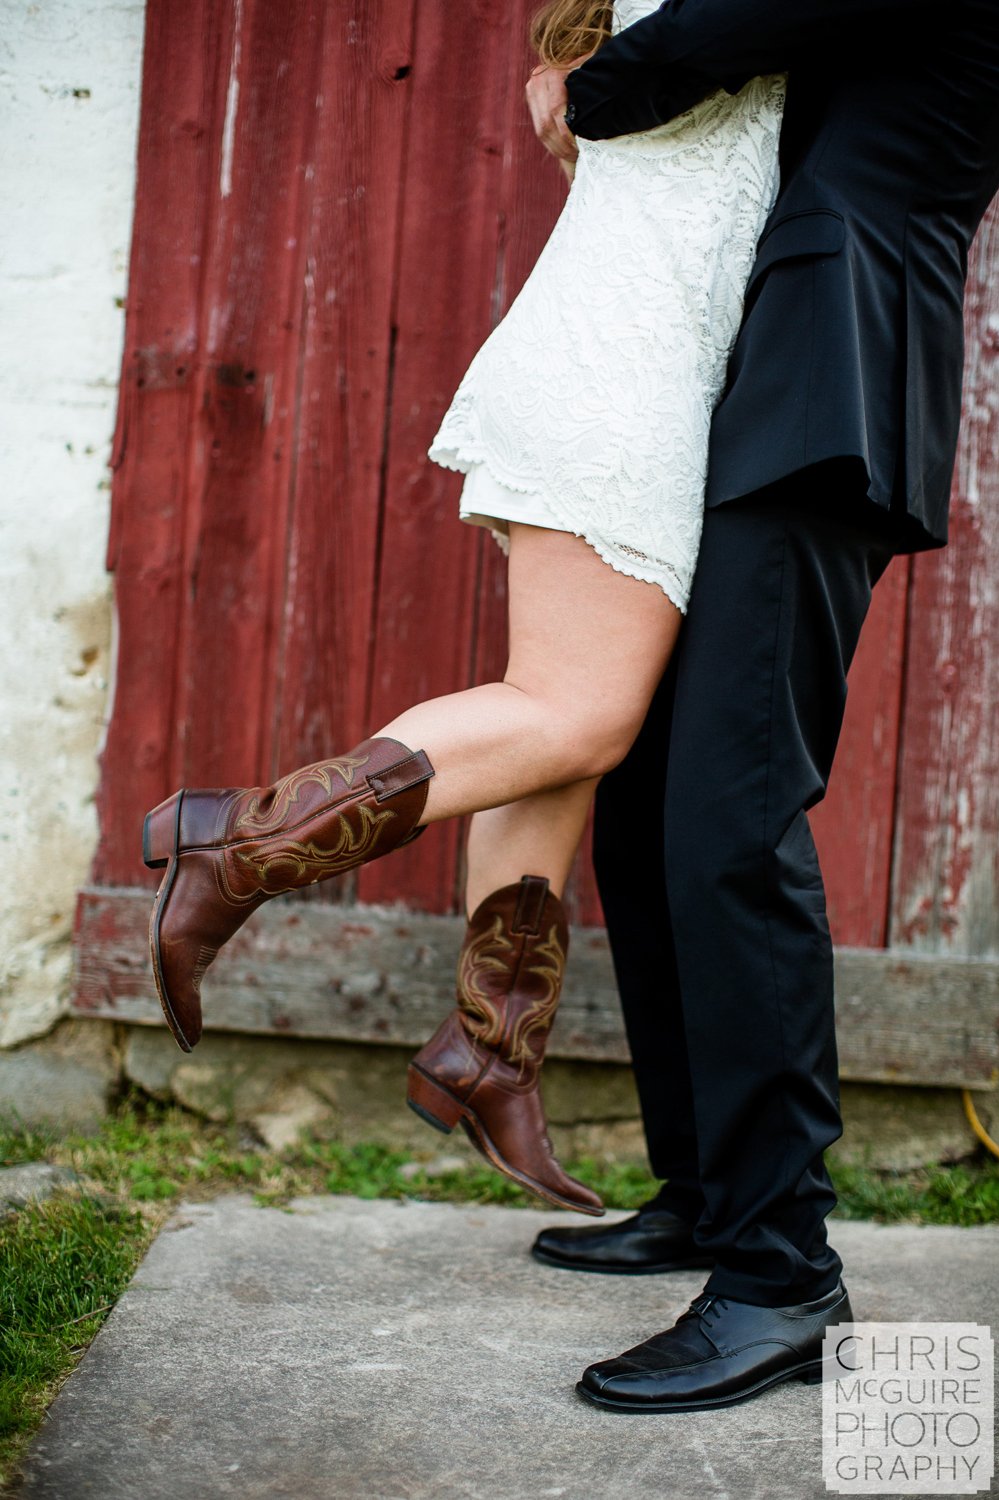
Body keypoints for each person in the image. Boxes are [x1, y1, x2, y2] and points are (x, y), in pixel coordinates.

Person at [142, 4, 783, 1223]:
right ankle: (235, 845)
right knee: (574, 714)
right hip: (624, 375)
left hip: (629, 367)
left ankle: (491, 1057)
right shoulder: (692, 22)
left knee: (552, 739)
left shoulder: (623, 49)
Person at [523, 0, 999, 1414]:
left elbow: (736, 24)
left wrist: (585, 82)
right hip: (755, 373)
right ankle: (702, 1185)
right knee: (649, 797)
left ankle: (780, 1275)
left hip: (830, 367)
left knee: (731, 819)